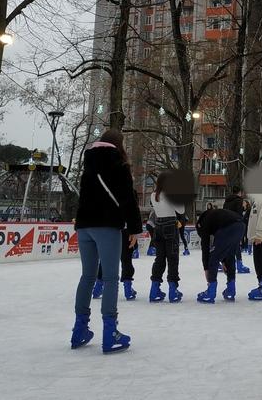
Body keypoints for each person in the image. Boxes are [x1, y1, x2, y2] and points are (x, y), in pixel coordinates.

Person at [71, 129, 141, 354]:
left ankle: (79, 329)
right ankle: (110, 332)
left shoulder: (88, 164)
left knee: (87, 276)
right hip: (107, 225)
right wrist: (134, 228)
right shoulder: (118, 164)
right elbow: (127, 198)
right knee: (110, 278)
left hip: (84, 226)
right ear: (119, 145)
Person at [148, 171, 187, 303]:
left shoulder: (153, 195)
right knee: (172, 258)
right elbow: (181, 210)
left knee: (159, 259)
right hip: (170, 225)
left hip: (158, 226)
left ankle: (154, 290)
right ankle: (173, 290)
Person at [195, 207, 244, 303]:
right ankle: (231, 290)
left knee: (213, 258)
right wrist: (224, 261)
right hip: (240, 226)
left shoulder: (203, 223)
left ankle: (210, 292)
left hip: (228, 228)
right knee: (230, 257)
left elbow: (205, 247)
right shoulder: (215, 215)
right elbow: (223, 247)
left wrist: (206, 269)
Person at [223, 187, 252, 273]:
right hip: (234, 224)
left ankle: (225, 263)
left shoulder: (227, 201)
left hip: (226, 224)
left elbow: (224, 212)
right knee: (236, 245)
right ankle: (239, 264)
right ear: (240, 192)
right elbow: (238, 214)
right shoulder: (239, 200)